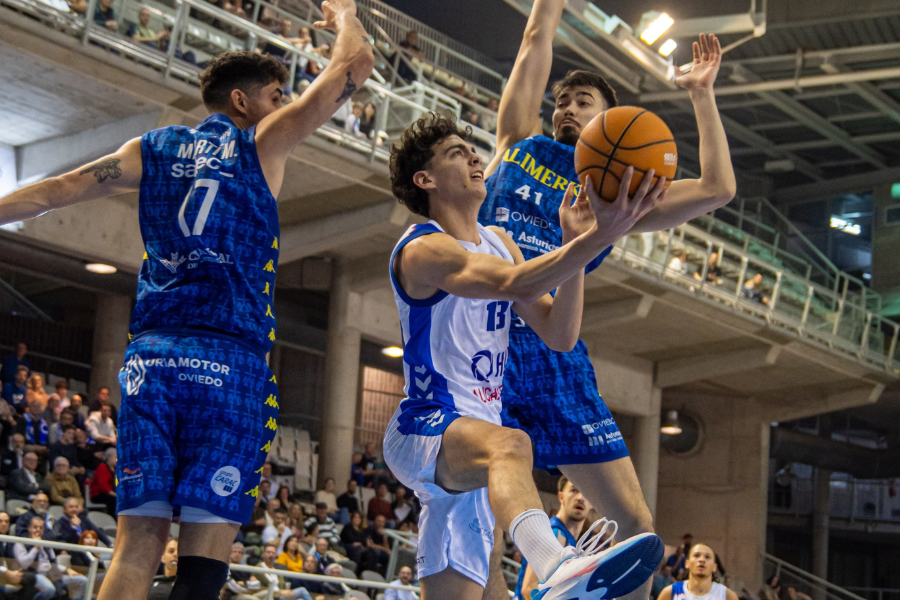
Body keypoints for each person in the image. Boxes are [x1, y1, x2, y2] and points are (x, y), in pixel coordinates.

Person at [0, 6, 373, 598]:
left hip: (154, 360)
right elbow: (356, 65)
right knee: (204, 561)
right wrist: (346, 13)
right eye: (277, 95)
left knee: (134, 549)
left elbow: (59, 190)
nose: (284, 107)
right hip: (229, 364)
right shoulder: (261, 145)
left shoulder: (151, 149)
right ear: (243, 103)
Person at [477, 0, 736, 596]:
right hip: (485, 343)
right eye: (563, 101)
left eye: (583, 103)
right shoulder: (515, 143)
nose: (566, 108)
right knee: (482, 537)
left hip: (556, 354)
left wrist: (701, 94)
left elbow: (720, 187)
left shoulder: (622, 194)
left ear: (611, 123)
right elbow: (533, 40)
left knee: (638, 535)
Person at [385, 112, 664, 600]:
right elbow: (515, 282)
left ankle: (554, 567)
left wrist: (577, 244)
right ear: (425, 179)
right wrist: (599, 237)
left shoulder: (502, 242)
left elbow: (559, 333)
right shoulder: (423, 248)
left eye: (473, 149)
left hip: (477, 447)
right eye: (456, 153)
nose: (475, 157)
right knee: (514, 444)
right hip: (427, 425)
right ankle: (556, 561)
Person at [516, 476, 592, 600]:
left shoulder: (570, 540)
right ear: (561, 496)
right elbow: (530, 589)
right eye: (574, 490)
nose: (580, 497)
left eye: (586, 493)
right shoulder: (554, 533)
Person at [14, 515, 88, 600]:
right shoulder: (21, 543)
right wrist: (35, 547)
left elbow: (53, 563)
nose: (38, 530)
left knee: (83, 581)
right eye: (35, 527)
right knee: (50, 589)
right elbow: (24, 564)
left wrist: (66, 570)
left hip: (52, 574)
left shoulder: (46, 544)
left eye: (41, 528)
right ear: (29, 528)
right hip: (36, 575)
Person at [657, 544, 738, 600]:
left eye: (707, 557)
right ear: (687, 563)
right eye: (696, 555)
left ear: (714, 567)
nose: (702, 560)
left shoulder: (727, 595)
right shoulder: (670, 592)